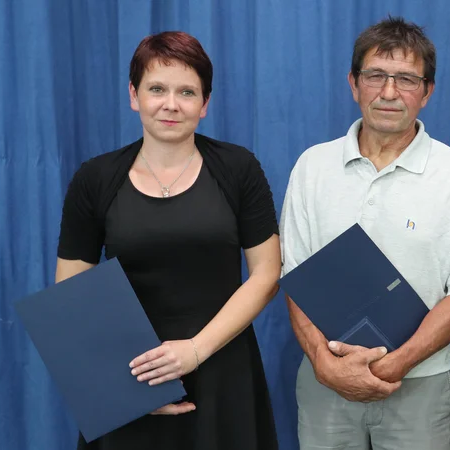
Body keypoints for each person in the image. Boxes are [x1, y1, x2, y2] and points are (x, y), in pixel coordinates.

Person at [55, 31, 280, 450]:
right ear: (133, 95)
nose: (171, 104)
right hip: (131, 374)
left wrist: (195, 351)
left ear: (205, 103)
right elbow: (70, 293)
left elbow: (267, 274)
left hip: (222, 369)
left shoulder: (239, 169)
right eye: (156, 89)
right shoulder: (95, 178)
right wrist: (125, 386)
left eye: (187, 92)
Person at [279, 16, 450, 450]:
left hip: (421, 389)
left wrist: (391, 367)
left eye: (407, 79)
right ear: (354, 83)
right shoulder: (312, 167)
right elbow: (295, 279)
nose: (389, 92)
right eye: (375, 76)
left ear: (428, 92)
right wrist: (325, 363)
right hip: (326, 384)